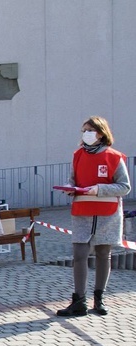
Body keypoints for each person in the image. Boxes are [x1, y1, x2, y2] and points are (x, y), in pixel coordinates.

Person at [57, 116, 131, 317]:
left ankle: (99, 299)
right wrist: (71, 189)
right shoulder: (78, 155)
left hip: (107, 214)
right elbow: (73, 180)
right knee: (79, 255)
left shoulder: (114, 157)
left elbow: (124, 187)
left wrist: (98, 189)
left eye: (90, 130)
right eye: (84, 130)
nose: (86, 134)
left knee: (103, 254)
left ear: (101, 132)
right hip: (82, 213)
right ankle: (79, 301)